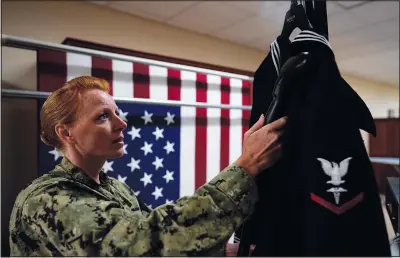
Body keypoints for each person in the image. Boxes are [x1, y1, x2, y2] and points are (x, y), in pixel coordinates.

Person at [9, 76, 288, 256]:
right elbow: (146, 241)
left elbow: (166, 238)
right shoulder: (44, 199)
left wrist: (220, 251)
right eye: (103, 116)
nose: (121, 123)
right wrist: (246, 165)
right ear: (66, 133)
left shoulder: (116, 189)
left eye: (117, 113)